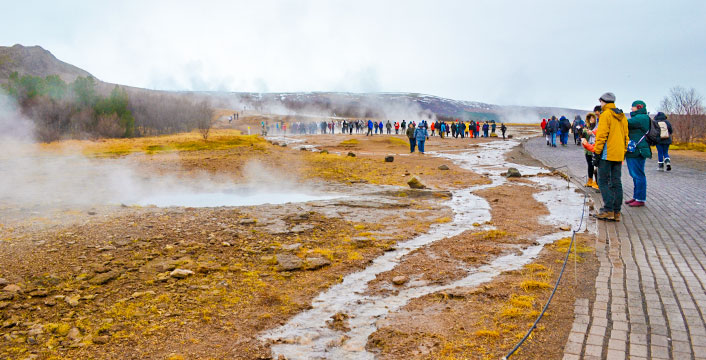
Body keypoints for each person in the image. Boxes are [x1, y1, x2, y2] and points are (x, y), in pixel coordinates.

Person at [593, 92, 629, 221]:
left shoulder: (606, 115)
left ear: (604, 102)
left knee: (602, 181)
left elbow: (601, 136)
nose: (600, 104)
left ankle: (608, 210)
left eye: (601, 102)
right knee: (616, 182)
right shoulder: (622, 116)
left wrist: (596, 153)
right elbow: (626, 136)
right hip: (618, 153)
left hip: (607, 154)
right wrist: (623, 151)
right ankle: (616, 212)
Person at [625, 100, 652, 207]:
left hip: (637, 150)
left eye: (633, 107)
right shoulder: (641, 117)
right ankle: (636, 197)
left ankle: (640, 198)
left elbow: (626, 123)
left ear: (638, 107)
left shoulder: (641, 118)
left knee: (638, 175)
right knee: (635, 175)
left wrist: (618, 116)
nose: (631, 109)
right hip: (636, 150)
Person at [581, 113, 600, 189]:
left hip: (594, 147)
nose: (591, 120)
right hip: (587, 148)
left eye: (592, 118)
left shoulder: (598, 126)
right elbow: (583, 136)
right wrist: (582, 133)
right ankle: (590, 180)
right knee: (590, 165)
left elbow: (598, 135)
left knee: (596, 166)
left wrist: (591, 132)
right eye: (589, 118)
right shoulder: (587, 126)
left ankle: (597, 182)